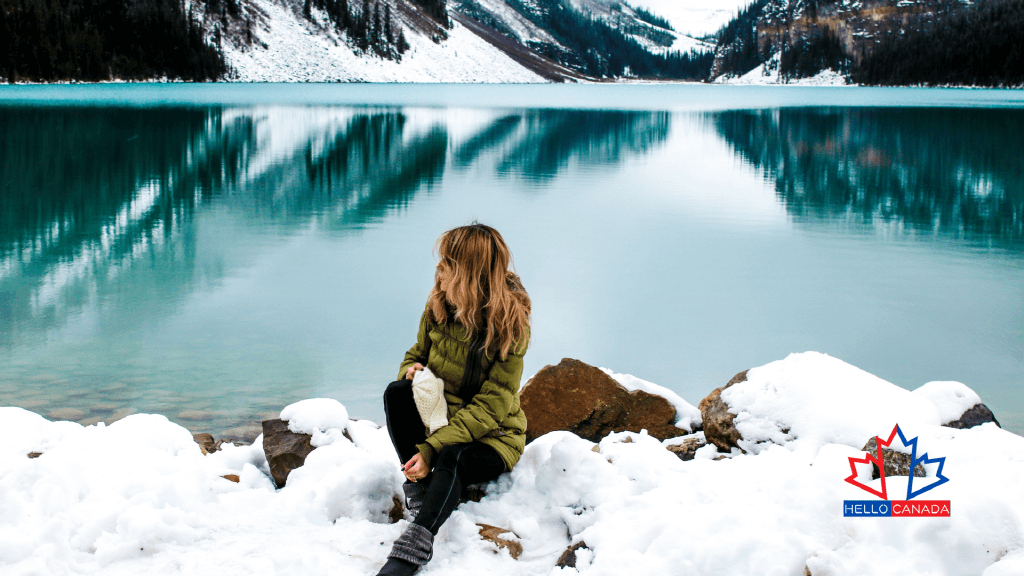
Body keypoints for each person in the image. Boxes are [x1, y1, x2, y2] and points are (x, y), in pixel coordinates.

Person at [377, 223, 531, 576]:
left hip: (495, 435)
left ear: (467, 273)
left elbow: (491, 407)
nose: (438, 271)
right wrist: (411, 370)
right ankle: (425, 489)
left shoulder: (509, 326)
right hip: (443, 416)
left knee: (451, 454)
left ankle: (413, 546)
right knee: (397, 392)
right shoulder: (439, 305)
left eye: (446, 264)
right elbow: (417, 351)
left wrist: (431, 448)